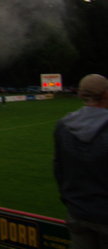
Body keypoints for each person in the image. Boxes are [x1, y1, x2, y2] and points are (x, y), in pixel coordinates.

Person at [54, 73, 108, 249]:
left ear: (80, 94)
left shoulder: (63, 125)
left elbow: (59, 170)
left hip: (77, 213)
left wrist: (71, 201)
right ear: (106, 94)